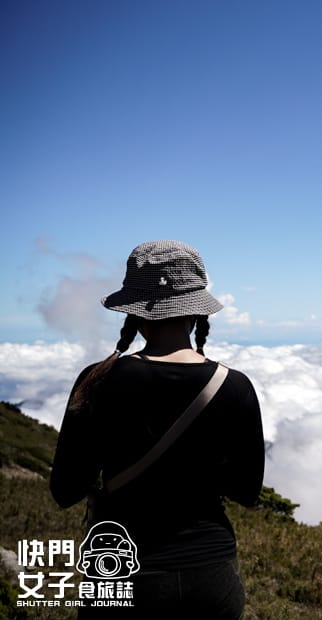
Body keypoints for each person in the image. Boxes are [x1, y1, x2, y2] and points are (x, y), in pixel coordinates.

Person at [50, 240, 265, 618]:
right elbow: (247, 492)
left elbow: (65, 490)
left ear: (134, 311)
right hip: (211, 576)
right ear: (197, 312)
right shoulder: (235, 386)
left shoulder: (98, 380)